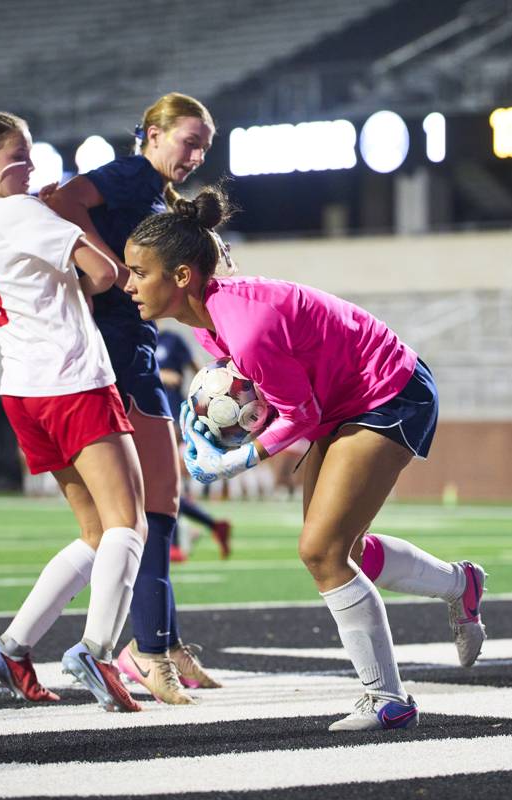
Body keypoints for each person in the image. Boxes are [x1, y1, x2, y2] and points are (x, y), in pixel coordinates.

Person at [123, 186, 489, 732]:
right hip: (345, 402)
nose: (128, 285)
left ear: (180, 277)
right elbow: (275, 399)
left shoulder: (246, 326)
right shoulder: (211, 319)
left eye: (138, 272)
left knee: (321, 551)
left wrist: (234, 460)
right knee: (342, 551)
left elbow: (297, 414)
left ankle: (388, 700)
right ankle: (461, 586)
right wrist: (212, 425)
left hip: (389, 394)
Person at [0, 109, 146, 713]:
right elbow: (106, 275)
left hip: (22, 389)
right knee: (130, 524)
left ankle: (13, 646)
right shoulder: (21, 212)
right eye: (20, 158)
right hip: (71, 380)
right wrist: (74, 226)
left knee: (97, 534)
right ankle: (97, 651)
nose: (32, 168)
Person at [43, 93, 223, 704]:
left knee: (158, 505)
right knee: (153, 508)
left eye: (204, 147)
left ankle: (160, 644)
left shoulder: (155, 195)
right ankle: (148, 651)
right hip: (117, 355)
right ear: (152, 133)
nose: (195, 155)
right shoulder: (131, 175)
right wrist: (113, 266)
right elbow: (60, 202)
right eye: (188, 141)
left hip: (133, 350)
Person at [157, 326, 232, 561]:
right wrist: (157, 375)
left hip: (167, 416)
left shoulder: (172, 339)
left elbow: (199, 370)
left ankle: (177, 542)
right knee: (159, 484)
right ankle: (209, 525)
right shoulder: (129, 335)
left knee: (161, 483)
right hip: (141, 417)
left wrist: (216, 395)